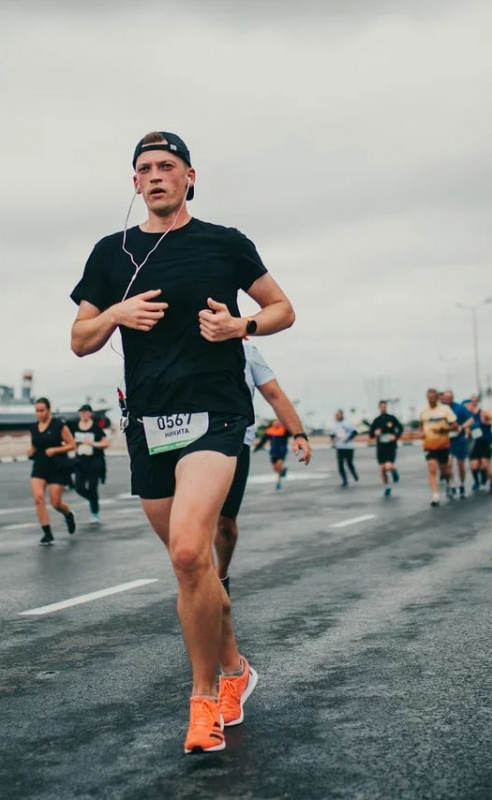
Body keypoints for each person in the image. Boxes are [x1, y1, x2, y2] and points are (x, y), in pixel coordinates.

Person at [70, 131, 295, 754]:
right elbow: (80, 337)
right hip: (147, 423)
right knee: (193, 567)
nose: (156, 176)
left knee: (191, 554)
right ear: (134, 183)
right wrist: (115, 314)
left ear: (190, 177)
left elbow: (283, 309)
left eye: (167, 166)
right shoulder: (111, 254)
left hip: (216, 415)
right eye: (144, 169)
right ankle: (236, 669)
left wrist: (239, 325)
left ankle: (203, 706)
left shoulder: (225, 243)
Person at [216, 342, 310, 601]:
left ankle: (221, 574)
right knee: (193, 519)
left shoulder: (247, 351)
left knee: (225, 522)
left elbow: (274, 394)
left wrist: (299, 433)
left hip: (236, 440)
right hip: (188, 439)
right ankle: (198, 579)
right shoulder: (182, 342)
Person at [29, 397, 78, 545]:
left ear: (48, 410)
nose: (39, 413)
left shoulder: (59, 425)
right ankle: (47, 533)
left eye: (42, 410)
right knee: (38, 499)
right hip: (40, 465)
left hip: (57, 466)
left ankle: (68, 514)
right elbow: (35, 445)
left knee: (56, 503)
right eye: (36, 411)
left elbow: (72, 445)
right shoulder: (33, 427)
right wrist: (31, 451)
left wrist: (56, 449)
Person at [70, 403, 109, 524]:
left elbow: (105, 443)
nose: (83, 414)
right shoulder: (75, 426)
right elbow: (69, 441)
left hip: (94, 461)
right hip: (80, 461)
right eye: (81, 412)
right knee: (79, 487)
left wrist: (93, 444)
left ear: (90, 414)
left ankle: (94, 512)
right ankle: (93, 500)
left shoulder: (96, 427)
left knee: (93, 487)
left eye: (86, 412)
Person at [418, 388, 457, 507]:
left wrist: (444, 429)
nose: (430, 401)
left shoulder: (445, 410)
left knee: (444, 469)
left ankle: (449, 481)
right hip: (429, 444)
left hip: (443, 443)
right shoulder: (423, 411)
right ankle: (435, 495)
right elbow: (421, 425)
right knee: (432, 468)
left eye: (432, 399)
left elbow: (455, 426)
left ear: (437, 398)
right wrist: (421, 433)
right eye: (428, 399)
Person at [441, 390, 473, 499]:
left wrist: (463, 426)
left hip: (459, 438)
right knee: (448, 464)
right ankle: (452, 484)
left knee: (461, 465)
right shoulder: (441, 409)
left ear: (453, 398)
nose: (447, 400)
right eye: (445, 398)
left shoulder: (459, 407)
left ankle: (462, 484)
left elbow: (470, 419)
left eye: (449, 398)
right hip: (446, 440)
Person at [368, 400, 404, 497]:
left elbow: (400, 428)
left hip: (390, 445)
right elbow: (370, 434)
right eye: (382, 406)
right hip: (381, 446)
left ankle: (394, 472)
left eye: (385, 406)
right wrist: (375, 433)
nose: (383, 408)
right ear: (379, 407)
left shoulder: (391, 418)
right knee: (382, 468)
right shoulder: (376, 420)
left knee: (389, 466)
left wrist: (395, 436)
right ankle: (387, 486)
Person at [466, 395, 492, 495]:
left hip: (487, 442)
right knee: (474, 466)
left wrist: (489, 422)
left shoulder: (483, 413)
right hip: (476, 443)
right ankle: (480, 477)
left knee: (485, 464)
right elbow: (466, 428)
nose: (472, 404)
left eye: (475, 401)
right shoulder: (469, 417)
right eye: (471, 402)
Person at [253, 419, 290, 491]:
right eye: (275, 423)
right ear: (272, 424)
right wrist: (256, 448)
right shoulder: (270, 431)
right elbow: (263, 441)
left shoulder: (284, 430)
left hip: (282, 451)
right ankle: (283, 471)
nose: (276, 424)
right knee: (275, 468)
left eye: (278, 422)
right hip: (273, 451)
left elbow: (291, 433)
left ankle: (278, 483)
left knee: (279, 465)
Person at [330, 409, 359, 488]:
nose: (337, 416)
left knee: (349, 463)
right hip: (340, 447)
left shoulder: (348, 423)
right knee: (340, 464)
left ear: (342, 415)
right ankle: (344, 480)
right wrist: (332, 441)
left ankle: (354, 475)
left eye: (338, 414)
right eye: (336, 415)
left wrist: (348, 438)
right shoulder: (335, 425)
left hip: (349, 447)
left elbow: (355, 432)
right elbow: (332, 434)